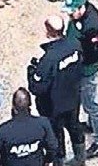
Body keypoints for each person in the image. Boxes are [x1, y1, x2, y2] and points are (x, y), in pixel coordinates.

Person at [28, 15, 85, 165]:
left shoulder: (49, 60)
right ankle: (80, 158)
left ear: (48, 31)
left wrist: (31, 71)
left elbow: (37, 88)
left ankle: (60, 161)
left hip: (53, 107)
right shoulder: (75, 45)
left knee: (56, 135)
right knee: (74, 127)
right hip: (73, 98)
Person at [63, 0, 98, 158]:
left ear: (81, 8)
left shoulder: (92, 28)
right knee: (86, 100)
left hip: (87, 69)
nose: (70, 16)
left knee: (91, 103)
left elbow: (91, 54)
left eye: (72, 12)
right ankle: (91, 124)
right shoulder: (80, 16)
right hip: (80, 68)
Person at [0, 89, 59, 166]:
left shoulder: (2, 131)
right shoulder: (43, 123)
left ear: (13, 107)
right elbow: (53, 147)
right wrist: (47, 160)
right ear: (30, 104)